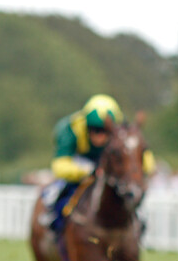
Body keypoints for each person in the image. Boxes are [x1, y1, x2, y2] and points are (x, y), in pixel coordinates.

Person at [40, 94, 154, 230]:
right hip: (81, 162)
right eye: (94, 130)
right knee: (57, 190)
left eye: (104, 131)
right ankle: (52, 216)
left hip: (110, 165)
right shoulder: (70, 128)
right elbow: (59, 166)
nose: (99, 137)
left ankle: (138, 221)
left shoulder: (123, 131)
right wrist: (86, 172)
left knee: (130, 193)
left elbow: (145, 161)